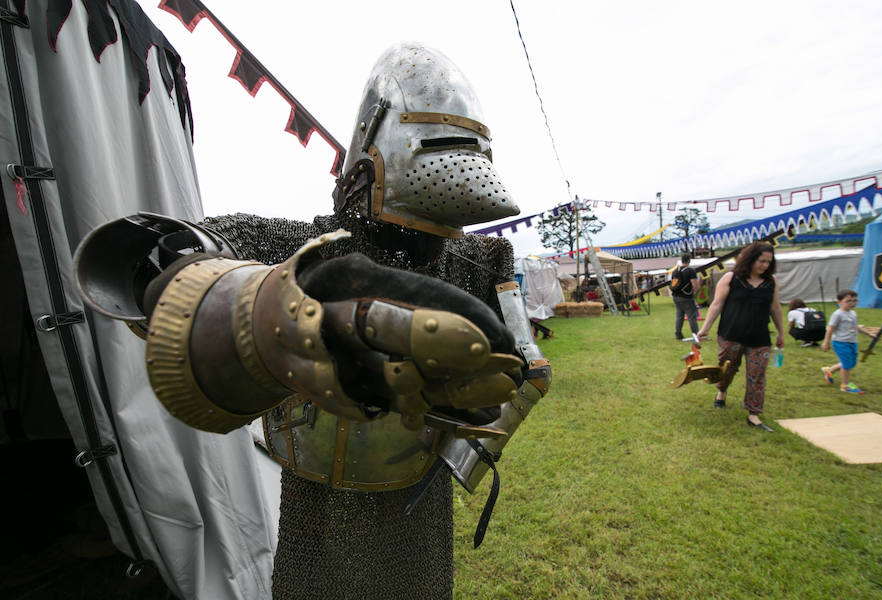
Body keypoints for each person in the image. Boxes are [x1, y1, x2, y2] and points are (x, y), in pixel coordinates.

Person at [76, 43, 551, 599]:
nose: (436, 235)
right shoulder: (305, 250)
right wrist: (255, 306)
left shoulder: (481, 264)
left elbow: (531, 373)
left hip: (416, 509)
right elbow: (146, 258)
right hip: (317, 512)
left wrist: (464, 443)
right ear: (373, 161)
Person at [697, 241, 784, 432]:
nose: (765, 266)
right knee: (727, 369)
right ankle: (721, 392)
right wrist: (705, 329)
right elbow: (716, 305)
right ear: (750, 259)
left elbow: (775, 308)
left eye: (769, 262)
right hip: (731, 335)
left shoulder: (772, 282)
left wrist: (781, 332)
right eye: (761, 261)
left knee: (757, 375)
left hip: (760, 338)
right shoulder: (731, 278)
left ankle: (753, 414)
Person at [821, 289, 865, 394]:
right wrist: (826, 342)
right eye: (848, 301)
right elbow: (830, 328)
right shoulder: (837, 314)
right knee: (846, 364)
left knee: (851, 363)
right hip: (840, 342)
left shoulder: (853, 313)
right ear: (839, 302)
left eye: (854, 300)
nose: (852, 303)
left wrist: (868, 333)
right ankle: (845, 385)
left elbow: (855, 326)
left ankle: (829, 370)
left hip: (852, 342)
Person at [671, 252, 700, 340]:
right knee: (692, 316)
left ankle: (678, 334)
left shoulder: (675, 271)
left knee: (679, 316)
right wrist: (695, 293)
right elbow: (695, 285)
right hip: (686, 296)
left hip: (676, 296)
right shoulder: (690, 271)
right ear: (689, 261)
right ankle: (696, 335)